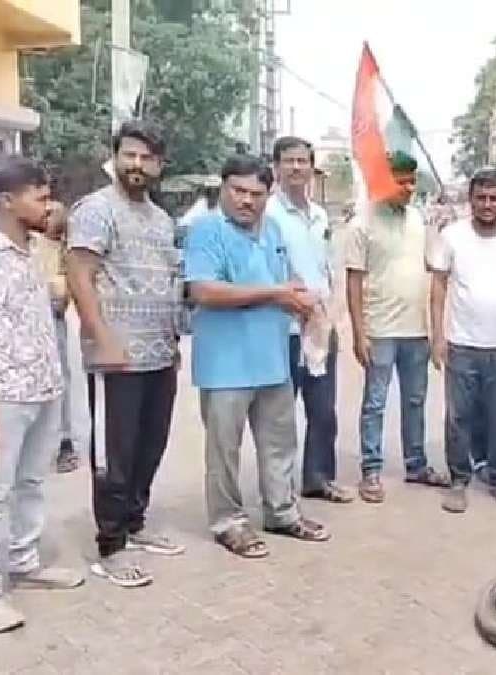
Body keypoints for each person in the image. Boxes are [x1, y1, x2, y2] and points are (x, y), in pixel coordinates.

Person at [0, 156, 84, 633]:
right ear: (6, 201)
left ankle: (25, 561)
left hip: (44, 388)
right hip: (0, 393)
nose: (50, 204)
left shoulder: (33, 250)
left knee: (32, 483)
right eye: (40, 197)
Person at [185, 155, 330, 559]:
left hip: (272, 359)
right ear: (223, 189)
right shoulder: (206, 231)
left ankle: (281, 512)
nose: (247, 201)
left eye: (256, 193)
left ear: (269, 195)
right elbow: (204, 291)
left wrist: (301, 296)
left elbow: (283, 279)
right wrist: (275, 294)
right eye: (239, 191)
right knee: (224, 451)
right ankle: (228, 522)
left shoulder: (274, 230)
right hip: (224, 366)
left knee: (280, 444)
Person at [67, 122, 184, 588]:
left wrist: (173, 341)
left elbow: (168, 283)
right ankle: (110, 545)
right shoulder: (95, 210)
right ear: (115, 157)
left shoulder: (161, 219)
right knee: (113, 455)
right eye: (129, 155)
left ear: (159, 165)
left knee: (149, 447)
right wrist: (102, 336)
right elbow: (79, 274)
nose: (137, 165)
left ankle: (135, 525)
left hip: (159, 353)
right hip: (116, 358)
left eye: (147, 158)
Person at [344, 151, 449, 503]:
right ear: (383, 180)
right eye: (400, 180)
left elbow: (435, 269)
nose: (408, 187)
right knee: (375, 402)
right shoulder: (362, 223)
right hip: (380, 330)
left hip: (415, 330)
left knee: (416, 400)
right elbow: (354, 282)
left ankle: (416, 464)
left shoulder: (419, 220)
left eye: (411, 180)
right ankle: (371, 470)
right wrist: (359, 333)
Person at [429, 171, 496, 513]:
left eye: (494, 198)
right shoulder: (452, 236)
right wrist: (438, 336)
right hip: (461, 344)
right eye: (481, 198)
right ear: (470, 200)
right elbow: (440, 286)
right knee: (459, 417)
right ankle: (459, 480)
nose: (488, 205)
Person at [266, 136, 351, 504]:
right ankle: (278, 490)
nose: (297, 168)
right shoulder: (267, 214)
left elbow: (326, 269)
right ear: (276, 168)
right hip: (281, 327)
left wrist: (332, 314)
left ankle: (318, 479)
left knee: (323, 411)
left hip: (318, 327)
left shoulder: (319, 216)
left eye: (303, 161)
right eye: (289, 161)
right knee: (279, 414)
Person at [33, 200, 79, 473]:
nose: (47, 217)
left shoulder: (67, 250)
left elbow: (65, 291)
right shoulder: (29, 244)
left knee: (60, 378)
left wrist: (59, 293)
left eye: (54, 214)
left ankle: (65, 442)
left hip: (52, 316)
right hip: (26, 315)